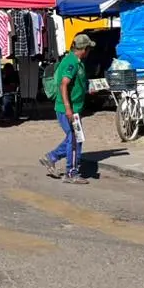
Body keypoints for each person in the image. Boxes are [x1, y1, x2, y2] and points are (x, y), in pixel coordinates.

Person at [41, 34, 94, 184]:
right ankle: (71, 172)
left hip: (74, 108)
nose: (90, 51)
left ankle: (51, 157)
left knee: (75, 139)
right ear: (83, 49)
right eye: (88, 48)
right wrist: (68, 109)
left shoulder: (78, 62)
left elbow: (75, 84)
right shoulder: (71, 62)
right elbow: (64, 84)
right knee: (74, 140)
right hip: (68, 110)